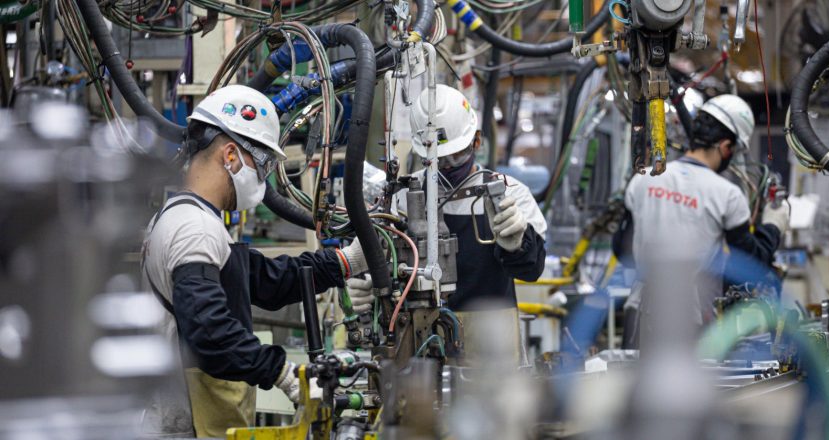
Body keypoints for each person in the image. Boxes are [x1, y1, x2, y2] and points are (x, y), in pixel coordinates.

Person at [140, 85, 367, 437]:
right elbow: (210, 331)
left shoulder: (190, 218)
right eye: (262, 164)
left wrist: (345, 261)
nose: (263, 179)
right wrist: (282, 373)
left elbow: (265, 280)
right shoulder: (194, 228)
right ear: (230, 155)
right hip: (187, 425)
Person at [347, 84, 547, 363]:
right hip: (417, 346)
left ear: (477, 142)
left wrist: (518, 244)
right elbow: (380, 265)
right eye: (438, 159)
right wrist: (369, 288)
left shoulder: (510, 193)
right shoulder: (402, 199)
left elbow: (531, 270)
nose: (449, 165)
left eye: (457, 154)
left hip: (491, 352)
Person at [612, 94, 790, 348]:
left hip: (639, 313)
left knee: (637, 383)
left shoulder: (643, 180)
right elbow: (751, 264)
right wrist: (774, 225)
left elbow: (621, 249)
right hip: (688, 321)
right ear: (726, 146)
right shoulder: (726, 194)